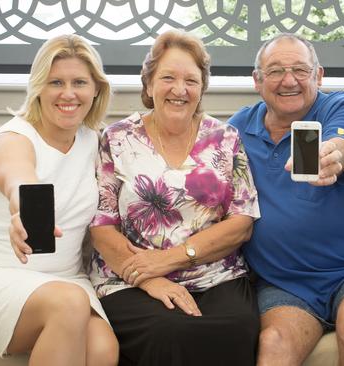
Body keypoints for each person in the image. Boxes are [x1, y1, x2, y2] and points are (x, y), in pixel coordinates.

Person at [0, 34, 118, 365]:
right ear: (38, 87)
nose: (68, 93)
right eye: (55, 82)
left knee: (103, 349)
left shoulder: (94, 141)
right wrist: (23, 211)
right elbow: (18, 178)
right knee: (69, 303)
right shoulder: (13, 139)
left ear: (96, 89)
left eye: (79, 82)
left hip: (65, 278)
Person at [88, 29, 261, 366]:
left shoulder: (225, 139)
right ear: (149, 84)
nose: (180, 90)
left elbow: (242, 223)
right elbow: (101, 226)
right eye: (168, 77)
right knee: (169, 329)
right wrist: (150, 278)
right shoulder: (118, 138)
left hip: (216, 274)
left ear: (202, 88)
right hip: (130, 279)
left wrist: (176, 258)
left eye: (191, 81)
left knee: (236, 326)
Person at [227, 33, 344, 366]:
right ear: (257, 81)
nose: (288, 80)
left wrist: (334, 154)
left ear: (318, 76)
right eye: (275, 71)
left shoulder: (336, 106)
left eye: (300, 70)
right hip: (284, 284)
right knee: (274, 342)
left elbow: (343, 136)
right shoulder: (237, 130)